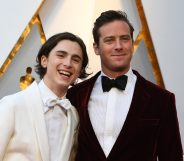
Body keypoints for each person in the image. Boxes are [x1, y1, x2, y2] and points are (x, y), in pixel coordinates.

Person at [67, 10, 183, 161]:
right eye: (109, 40)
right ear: (96, 48)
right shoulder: (74, 95)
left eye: (124, 39)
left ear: (132, 44)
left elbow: (172, 157)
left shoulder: (161, 99)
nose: (118, 46)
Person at [0, 32, 89, 161]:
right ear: (44, 60)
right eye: (61, 55)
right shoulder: (11, 105)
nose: (68, 63)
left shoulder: (74, 116)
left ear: (80, 70)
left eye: (75, 59)